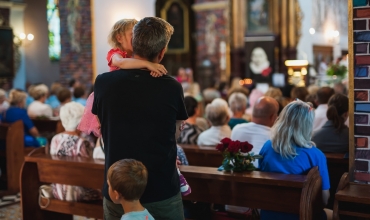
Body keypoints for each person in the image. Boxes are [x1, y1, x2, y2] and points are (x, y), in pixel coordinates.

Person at [92, 17, 188, 220]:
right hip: (161, 187)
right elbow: (177, 131)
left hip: (118, 190)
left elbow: (101, 126)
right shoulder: (171, 86)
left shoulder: (103, 83)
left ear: (133, 44)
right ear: (161, 53)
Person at [78, 18, 167, 138]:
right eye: (133, 34)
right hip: (113, 94)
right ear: (119, 38)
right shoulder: (115, 54)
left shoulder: (136, 56)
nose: (137, 38)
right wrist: (148, 64)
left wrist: (153, 70)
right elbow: (121, 63)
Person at [258, 100, 331, 220]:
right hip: (303, 215)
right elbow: (324, 199)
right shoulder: (316, 155)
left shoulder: (267, 147)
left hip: (268, 214)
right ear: (307, 126)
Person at [50, 102, 101, 202]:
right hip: (76, 192)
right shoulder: (82, 143)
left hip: (57, 189)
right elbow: (91, 170)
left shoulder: (55, 139)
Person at [231, 96, 279, 167]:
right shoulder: (275, 136)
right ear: (273, 117)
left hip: (232, 176)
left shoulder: (236, 129)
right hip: (262, 177)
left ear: (252, 113)